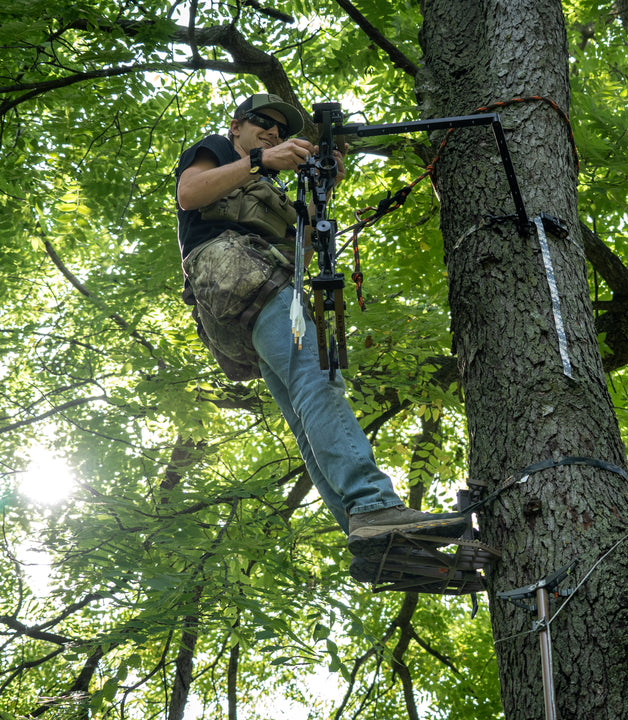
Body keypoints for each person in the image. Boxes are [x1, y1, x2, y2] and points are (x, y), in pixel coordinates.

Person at [174, 93, 466, 576]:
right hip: (236, 272)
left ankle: (375, 542)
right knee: (318, 382)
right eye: (261, 123)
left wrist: (328, 176)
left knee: (305, 415)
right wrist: (260, 159)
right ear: (236, 126)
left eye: (279, 129)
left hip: (251, 291)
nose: (271, 131)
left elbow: (304, 247)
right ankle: (373, 504)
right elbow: (189, 195)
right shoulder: (221, 152)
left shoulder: (267, 188)